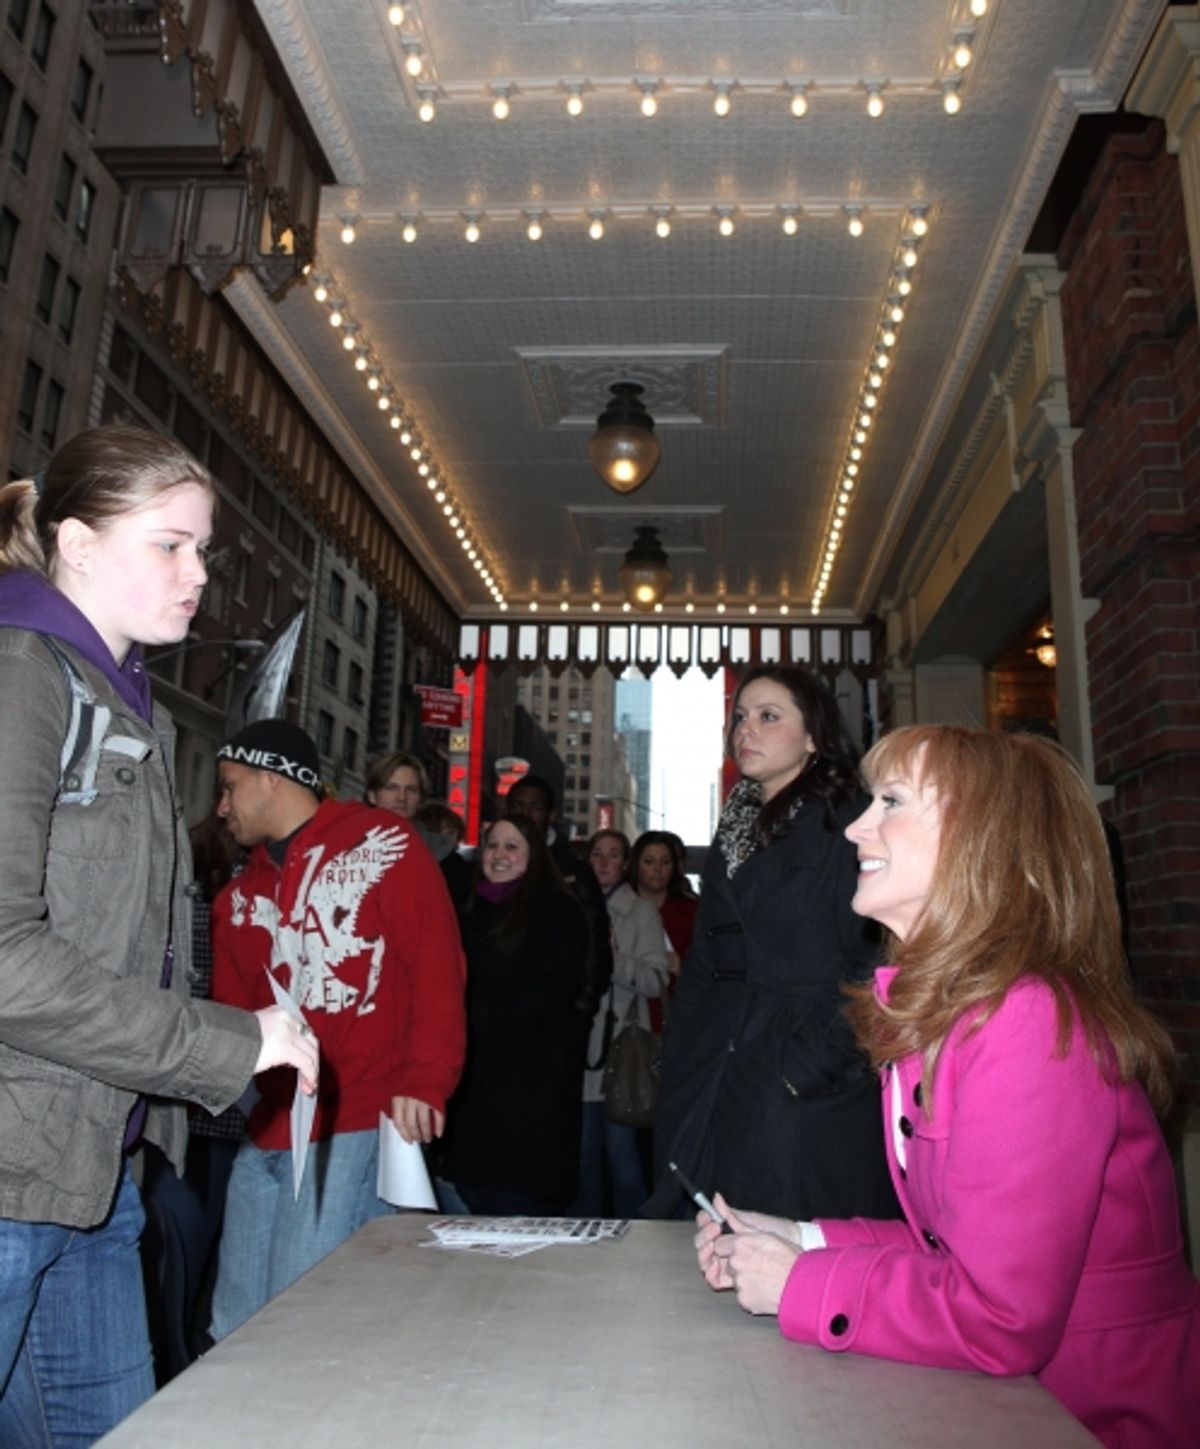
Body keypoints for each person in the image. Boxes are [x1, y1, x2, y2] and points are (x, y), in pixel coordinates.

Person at [695, 726, 1199, 1449]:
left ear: (980, 839)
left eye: (891, 800)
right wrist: (800, 1237)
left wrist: (801, 1283)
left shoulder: (1027, 1017)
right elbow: (955, 1243)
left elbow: (1001, 1318)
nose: (859, 828)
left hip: (1101, 1416)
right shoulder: (949, 1011)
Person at [0, 425, 317, 1446]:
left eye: (204, 551)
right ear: (78, 543)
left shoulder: (123, 703)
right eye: (170, 545)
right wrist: (228, 1043)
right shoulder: (21, 675)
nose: (199, 575)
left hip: (93, 1168)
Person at [208, 719, 466, 1339]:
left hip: (352, 1122)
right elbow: (231, 1014)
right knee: (235, 1324)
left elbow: (433, 962)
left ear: (270, 780)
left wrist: (426, 1079)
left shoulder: (384, 842)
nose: (221, 807)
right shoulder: (238, 895)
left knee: (307, 1321)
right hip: (265, 1133)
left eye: (230, 787)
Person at [648, 664, 897, 1223]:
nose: (745, 731)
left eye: (767, 716)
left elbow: (880, 959)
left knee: (791, 1254)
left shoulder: (848, 822)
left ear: (813, 736)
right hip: (717, 1063)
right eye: (739, 718)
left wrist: (808, 1063)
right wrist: (683, 1053)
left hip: (804, 1078)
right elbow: (707, 961)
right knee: (706, 1244)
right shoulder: (735, 826)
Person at [437, 816, 589, 1214]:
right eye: (491, 846)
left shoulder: (558, 910)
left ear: (533, 855)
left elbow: (552, 991)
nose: (499, 855)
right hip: (473, 1092)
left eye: (511, 846)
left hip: (529, 1092)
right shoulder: (466, 909)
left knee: (516, 1216)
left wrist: (470, 1016)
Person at [575, 830, 669, 1218]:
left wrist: (613, 961)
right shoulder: (572, 905)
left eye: (613, 855)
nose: (603, 862)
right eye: (597, 853)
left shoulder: (641, 912)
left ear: (625, 864)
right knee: (581, 1158)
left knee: (621, 1155)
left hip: (619, 1051)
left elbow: (657, 979)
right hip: (579, 1051)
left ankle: (637, 1238)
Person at [506, 775, 613, 1027]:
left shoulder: (574, 872)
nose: (525, 813)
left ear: (551, 815)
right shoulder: (488, 865)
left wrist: (583, 1007)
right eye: (517, 806)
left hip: (558, 1019)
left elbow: (596, 944)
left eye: (535, 807)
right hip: (498, 1015)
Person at [631, 829, 699, 986]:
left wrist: (682, 969)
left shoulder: (692, 912)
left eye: (665, 862)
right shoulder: (619, 910)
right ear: (635, 864)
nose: (657, 869)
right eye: (649, 861)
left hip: (679, 1003)